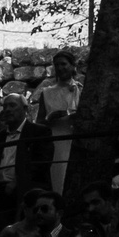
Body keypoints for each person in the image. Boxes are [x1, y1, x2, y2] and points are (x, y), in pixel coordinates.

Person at [31, 50, 83, 194]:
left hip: (74, 140)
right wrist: (50, 119)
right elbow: (39, 122)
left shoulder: (81, 89)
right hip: (55, 141)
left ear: (73, 66)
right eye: (57, 65)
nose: (60, 68)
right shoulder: (47, 93)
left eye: (64, 64)